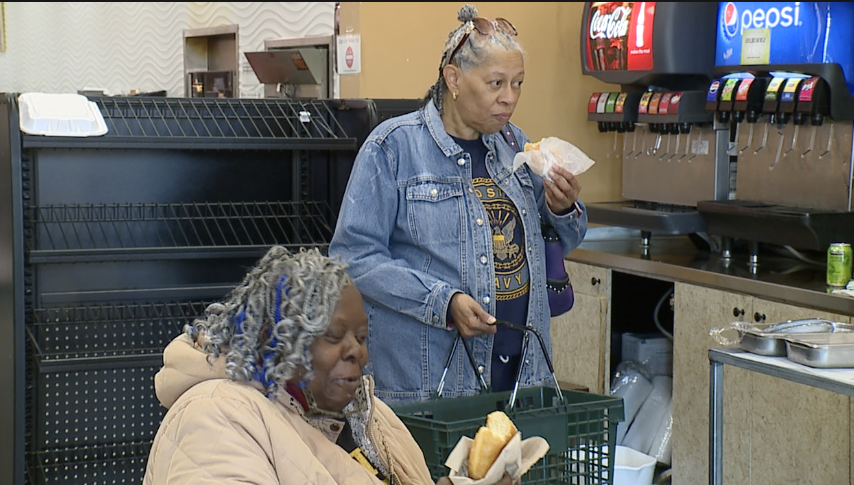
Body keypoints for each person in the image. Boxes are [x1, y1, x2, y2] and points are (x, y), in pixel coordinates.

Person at [329, 4, 587, 406]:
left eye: (518, 83)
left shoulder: (515, 145)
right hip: (432, 386)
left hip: (522, 379)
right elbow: (353, 258)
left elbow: (557, 240)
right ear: (454, 78)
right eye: (496, 83)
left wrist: (563, 207)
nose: (509, 98)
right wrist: (442, 301)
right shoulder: (393, 148)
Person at [143, 245, 514, 484]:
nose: (357, 353)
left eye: (362, 338)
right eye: (334, 336)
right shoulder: (217, 416)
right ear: (274, 339)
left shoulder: (369, 415)